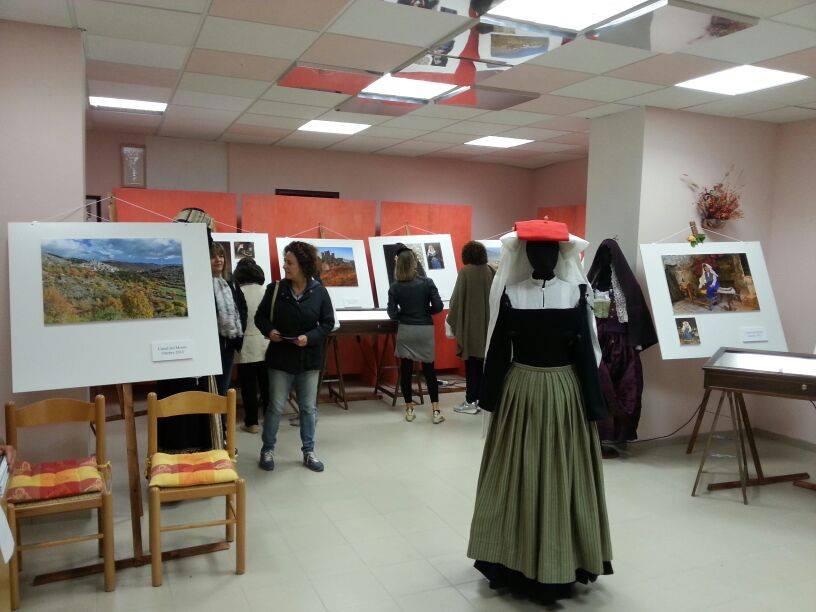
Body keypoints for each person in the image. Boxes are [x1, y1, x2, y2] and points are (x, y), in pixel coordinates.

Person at [467, 220, 612, 604]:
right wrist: (490, 397)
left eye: (549, 250)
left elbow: (585, 352)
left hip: (565, 394)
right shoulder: (512, 293)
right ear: (525, 254)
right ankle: (510, 557)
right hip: (521, 394)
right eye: (535, 250)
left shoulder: (576, 292)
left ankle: (562, 558)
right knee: (517, 471)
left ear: (561, 253)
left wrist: (594, 405)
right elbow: (498, 348)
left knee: (563, 473)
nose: (541, 257)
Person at [255, 241, 334, 473]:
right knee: (276, 406)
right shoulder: (275, 289)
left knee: (308, 408)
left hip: (309, 360)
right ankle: (267, 450)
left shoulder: (319, 292)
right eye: (285, 262)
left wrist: (309, 337)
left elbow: (328, 323)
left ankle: (309, 452)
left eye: (290, 263)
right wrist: (269, 331)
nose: (285, 266)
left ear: (303, 265)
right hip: (280, 358)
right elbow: (260, 318)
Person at [387, 247, 445, 424]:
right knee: (429, 371)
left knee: (405, 370)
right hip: (424, 330)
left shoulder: (395, 287)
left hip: (406, 330)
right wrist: (424, 312)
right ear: (414, 263)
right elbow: (438, 307)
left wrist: (404, 315)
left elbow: (391, 313)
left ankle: (409, 409)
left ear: (398, 265)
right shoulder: (427, 283)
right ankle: (435, 412)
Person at [447, 241, 494, 415]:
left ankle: (470, 401)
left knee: (471, 366)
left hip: (471, 328)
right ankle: (481, 400)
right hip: (488, 327)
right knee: (483, 366)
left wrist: (452, 319)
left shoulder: (465, 272)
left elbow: (456, 300)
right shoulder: (490, 271)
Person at [233, 258, 270, 434]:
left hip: (246, 344)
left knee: (248, 385)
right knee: (267, 384)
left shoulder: (237, 292)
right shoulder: (266, 291)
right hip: (266, 343)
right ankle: (270, 420)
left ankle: (252, 423)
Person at [211, 242, 247, 397]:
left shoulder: (230, 281)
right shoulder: (202, 283)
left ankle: (223, 421)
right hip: (211, 342)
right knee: (211, 387)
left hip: (229, 342)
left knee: (224, 385)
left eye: (220, 256)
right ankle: (212, 421)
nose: (218, 260)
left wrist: (239, 328)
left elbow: (242, 307)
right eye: (212, 256)